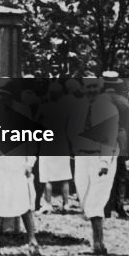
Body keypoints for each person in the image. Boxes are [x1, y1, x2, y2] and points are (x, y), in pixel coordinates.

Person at [0, 85, 41, 256]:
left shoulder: (24, 111)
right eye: (0, 95)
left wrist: (30, 162)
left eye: (6, 95)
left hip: (17, 164)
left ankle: (32, 240)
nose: (2, 98)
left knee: (24, 203)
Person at [68, 76, 119, 255]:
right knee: (85, 198)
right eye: (87, 87)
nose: (90, 90)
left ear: (99, 87)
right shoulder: (79, 107)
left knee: (96, 200)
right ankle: (96, 240)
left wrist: (104, 162)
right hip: (82, 158)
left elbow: (110, 136)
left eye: (93, 87)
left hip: (100, 159)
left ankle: (98, 243)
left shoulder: (108, 108)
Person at [35, 81, 73, 212]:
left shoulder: (44, 107)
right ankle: (66, 204)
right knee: (64, 177)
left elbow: (35, 123)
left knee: (47, 177)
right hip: (62, 143)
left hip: (48, 144)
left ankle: (48, 204)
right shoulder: (65, 108)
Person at [102, 71, 129, 219]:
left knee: (104, 171)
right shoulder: (124, 101)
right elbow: (127, 124)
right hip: (121, 137)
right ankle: (119, 206)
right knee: (120, 173)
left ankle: (105, 207)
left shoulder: (100, 100)